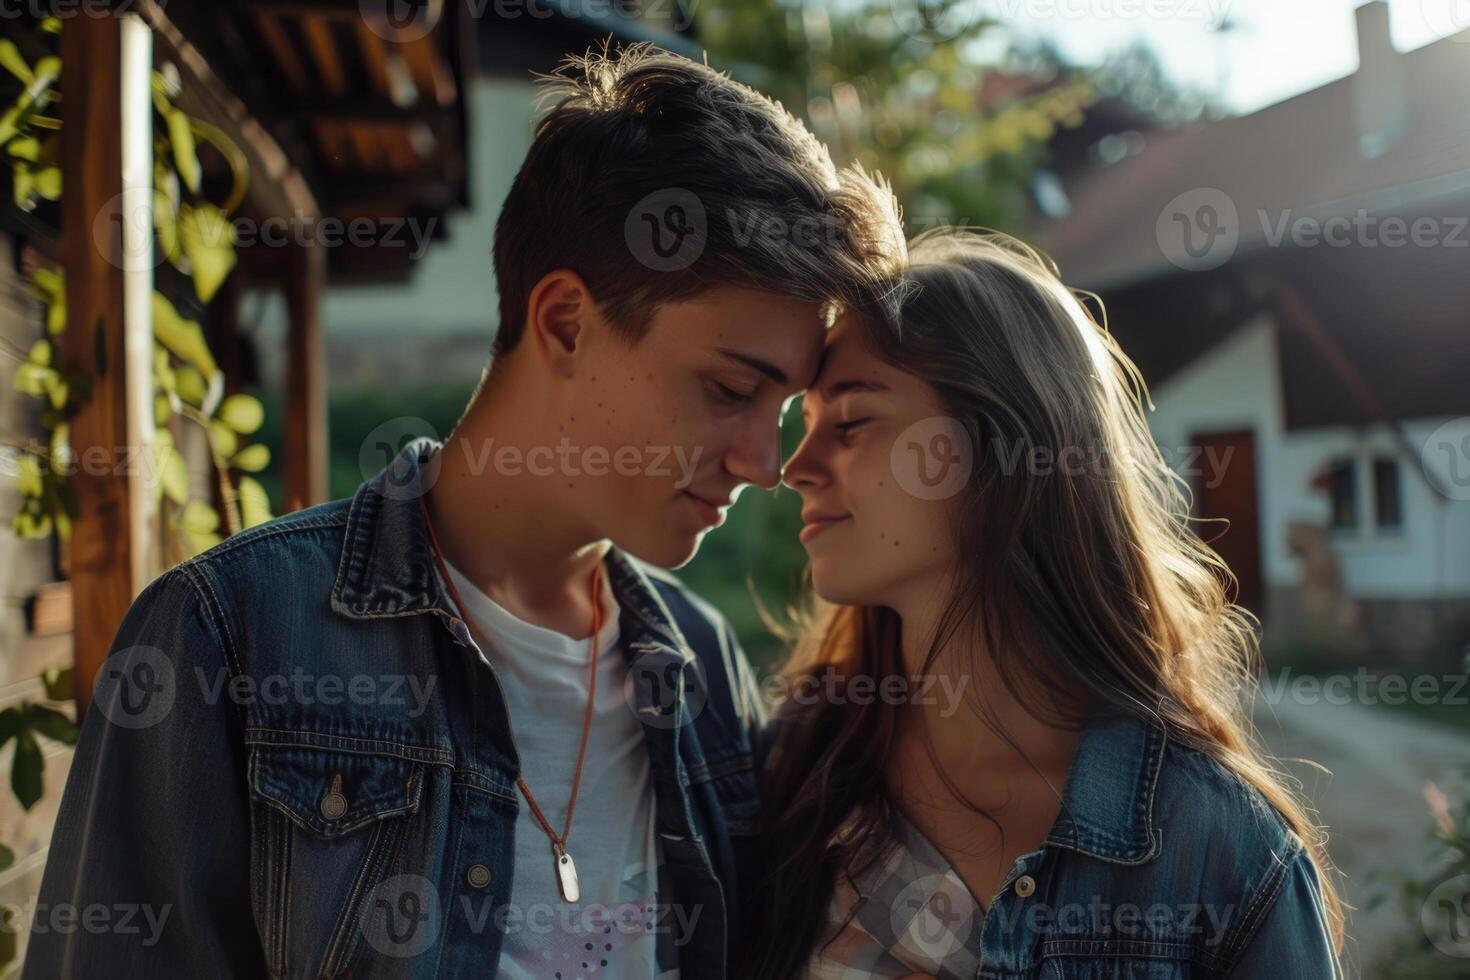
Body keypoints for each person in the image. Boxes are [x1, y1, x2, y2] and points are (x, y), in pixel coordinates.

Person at [24, 43, 902, 979]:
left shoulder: (704, 673)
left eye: (781, 412)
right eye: (732, 389)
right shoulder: (226, 637)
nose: (766, 463)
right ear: (565, 322)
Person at [750, 229, 1346, 979]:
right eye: (803, 429)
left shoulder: (1222, 852)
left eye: (852, 422)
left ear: (1000, 445)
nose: (793, 468)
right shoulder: (785, 780)